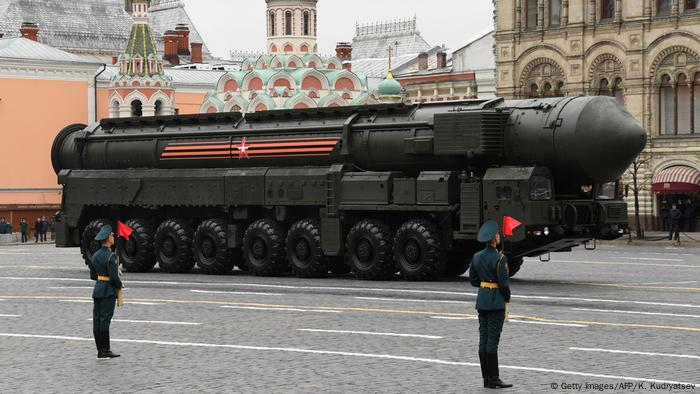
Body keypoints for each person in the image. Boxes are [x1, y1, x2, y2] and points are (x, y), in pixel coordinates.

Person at [469, 220, 513, 389]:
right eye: (498, 234)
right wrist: (507, 297)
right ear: (494, 239)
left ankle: (487, 378)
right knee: (492, 340)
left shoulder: (477, 256)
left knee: (484, 338)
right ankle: (494, 378)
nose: (499, 236)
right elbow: (503, 283)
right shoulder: (500, 258)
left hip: (482, 300)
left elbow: (473, 280)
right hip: (495, 302)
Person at [89, 225, 123, 360]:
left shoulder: (96, 255)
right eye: (112, 235)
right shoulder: (112, 256)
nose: (113, 237)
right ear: (108, 238)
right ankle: (105, 350)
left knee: (97, 320)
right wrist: (120, 284)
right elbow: (114, 278)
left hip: (98, 289)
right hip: (108, 291)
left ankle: (100, 350)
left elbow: (93, 275)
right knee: (105, 320)